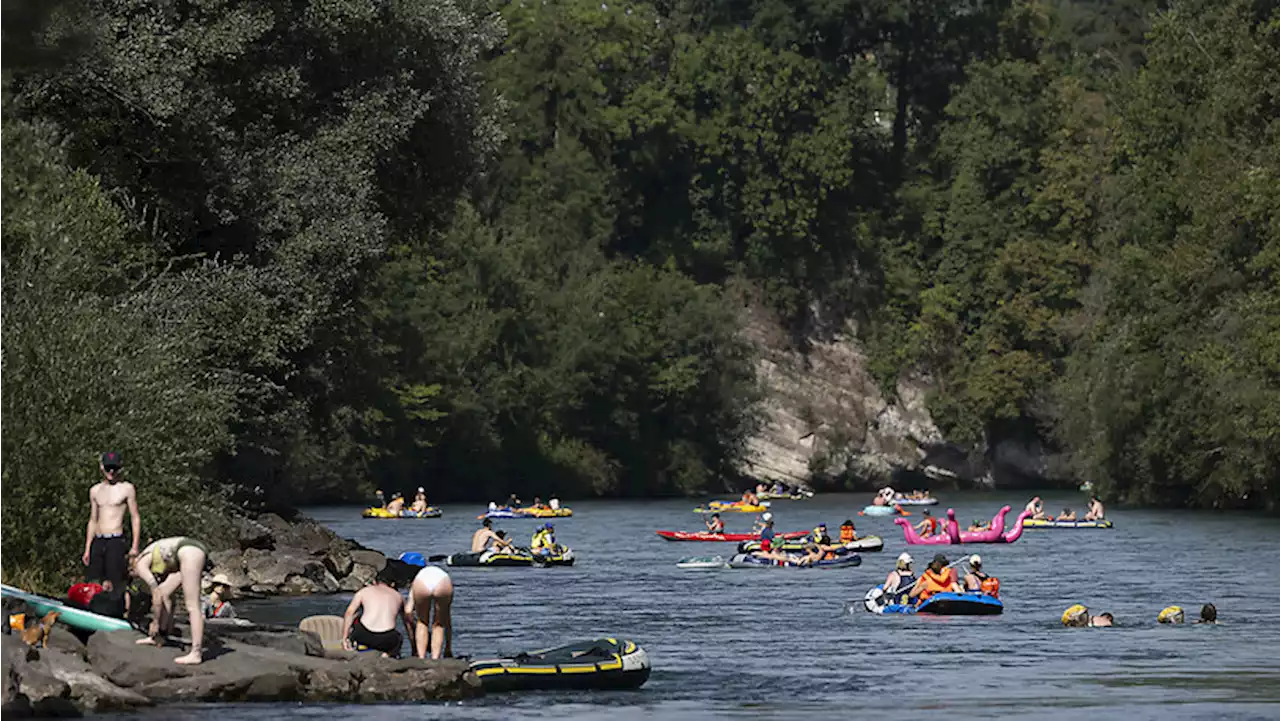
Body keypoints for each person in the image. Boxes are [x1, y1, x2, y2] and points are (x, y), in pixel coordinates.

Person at [132, 537, 210, 665]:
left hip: (189, 552)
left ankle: (196, 652)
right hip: (186, 552)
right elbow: (162, 594)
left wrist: (155, 622)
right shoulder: (150, 555)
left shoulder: (140, 565)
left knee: (192, 605)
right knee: (165, 592)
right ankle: (160, 637)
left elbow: (155, 594)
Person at [83, 452, 141, 592]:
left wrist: (135, 546)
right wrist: (87, 548)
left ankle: (119, 609)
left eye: (114, 468)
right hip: (98, 539)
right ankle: (96, 607)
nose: (111, 472)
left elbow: (135, 517)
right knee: (94, 580)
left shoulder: (126, 488)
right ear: (102, 467)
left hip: (115, 539)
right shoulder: (95, 490)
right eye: (108, 468)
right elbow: (93, 520)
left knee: (115, 581)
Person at [342, 567, 410, 657]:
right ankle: (387, 655)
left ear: (374, 581)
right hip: (386, 638)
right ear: (393, 584)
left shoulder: (363, 591)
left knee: (356, 618)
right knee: (398, 637)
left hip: (363, 634)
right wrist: (414, 645)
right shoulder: (399, 596)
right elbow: (408, 622)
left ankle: (356, 646)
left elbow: (349, 613)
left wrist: (344, 638)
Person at [407, 565, 453, 659]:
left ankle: (421, 657)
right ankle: (435, 658)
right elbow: (447, 622)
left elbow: (408, 611)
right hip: (443, 581)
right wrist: (448, 647)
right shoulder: (442, 573)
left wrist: (411, 636)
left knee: (422, 622)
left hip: (422, 583)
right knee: (439, 624)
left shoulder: (418, 578)